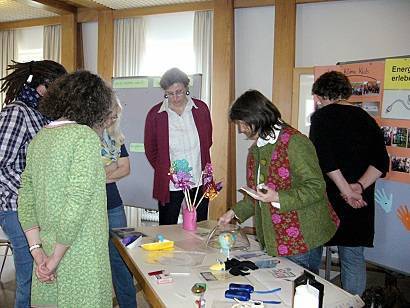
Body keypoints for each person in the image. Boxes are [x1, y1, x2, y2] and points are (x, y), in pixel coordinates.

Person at [18, 70, 114, 307]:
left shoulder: (41, 138)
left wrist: (38, 253)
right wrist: (55, 259)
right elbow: (77, 202)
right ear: (95, 104)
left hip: (46, 250)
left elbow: (25, 197)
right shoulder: (84, 137)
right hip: (80, 253)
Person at [218, 90, 339, 274]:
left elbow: (316, 187)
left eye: (242, 124)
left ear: (256, 117)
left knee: (302, 290)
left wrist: (278, 197)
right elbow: (256, 195)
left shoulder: (295, 142)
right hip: (275, 236)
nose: (241, 129)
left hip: (301, 237)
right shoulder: (256, 150)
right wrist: (233, 212)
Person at [309, 71, 389, 296]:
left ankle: (311, 298)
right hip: (359, 201)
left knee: (312, 253)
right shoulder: (366, 119)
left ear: (319, 95)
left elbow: (325, 160)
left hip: (329, 200)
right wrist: (358, 188)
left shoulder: (321, 118)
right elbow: (382, 162)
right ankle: (354, 303)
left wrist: (346, 191)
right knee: (353, 258)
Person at [0, 60, 67, 308]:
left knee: (40, 277)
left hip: (34, 206)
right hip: (15, 207)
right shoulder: (17, 113)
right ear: (41, 87)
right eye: (58, 88)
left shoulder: (39, 113)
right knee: (30, 278)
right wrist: (32, 191)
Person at [144, 68, 212, 225]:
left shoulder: (201, 109)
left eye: (179, 92)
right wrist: (164, 168)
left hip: (199, 179)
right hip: (170, 183)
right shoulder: (155, 114)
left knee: (200, 226)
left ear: (187, 88)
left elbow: (208, 140)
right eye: (169, 93)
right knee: (167, 227)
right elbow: (151, 150)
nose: (175, 97)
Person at [95, 97, 137, 307]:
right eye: (111, 114)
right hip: (91, 206)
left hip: (113, 204)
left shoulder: (116, 137)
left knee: (120, 258)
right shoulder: (85, 136)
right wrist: (111, 168)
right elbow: (85, 175)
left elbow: (126, 168)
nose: (114, 119)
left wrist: (100, 174)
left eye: (116, 115)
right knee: (95, 260)